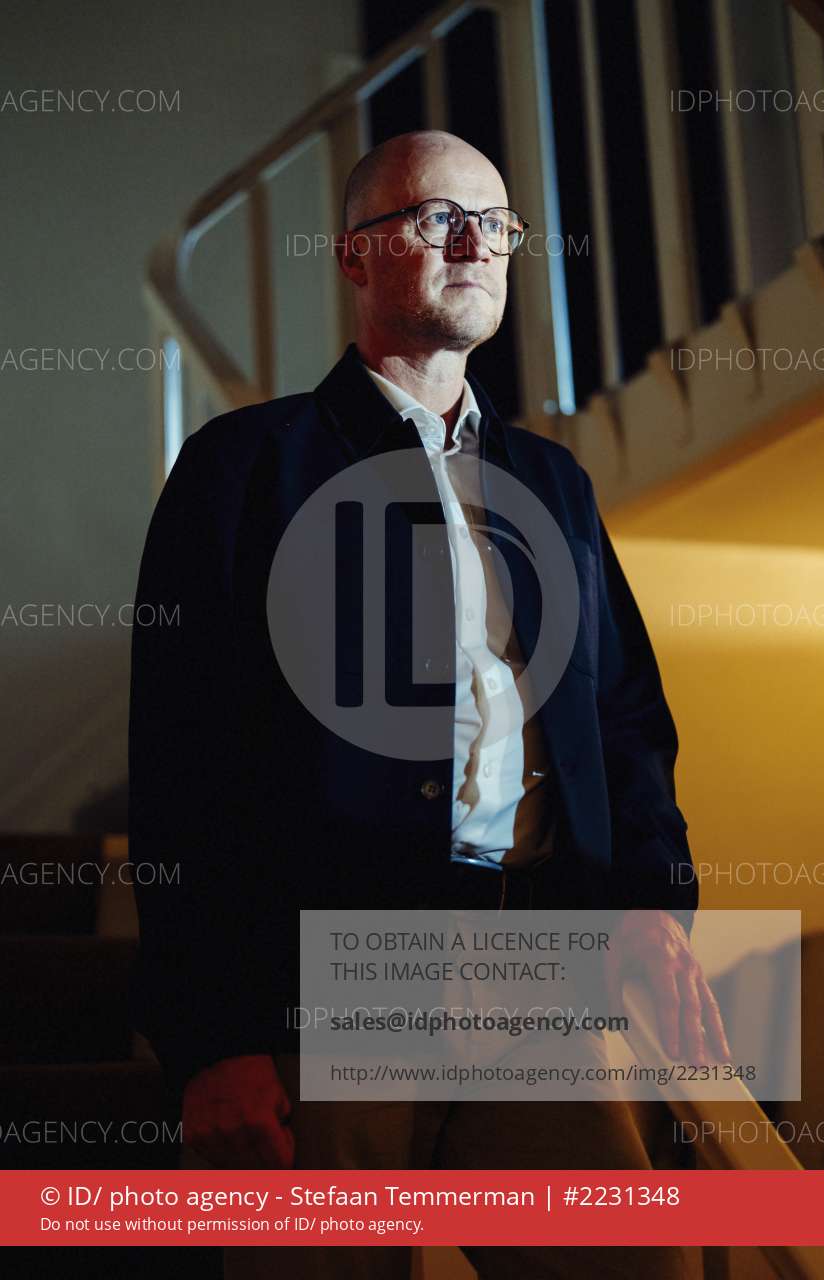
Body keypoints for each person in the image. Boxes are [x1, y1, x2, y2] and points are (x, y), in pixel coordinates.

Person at [129, 130, 726, 1279]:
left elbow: (622, 722)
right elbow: (180, 764)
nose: (475, 244)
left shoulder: (554, 483)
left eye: (495, 224)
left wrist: (650, 902)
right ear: (354, 254)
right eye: (436, 218)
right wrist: (211, 1036)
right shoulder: (245, 467)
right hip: (319, 981)